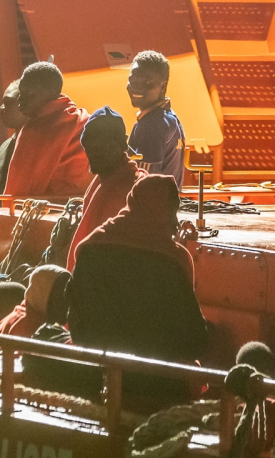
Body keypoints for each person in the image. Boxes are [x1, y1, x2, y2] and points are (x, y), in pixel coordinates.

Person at [68, 175, 208, 410]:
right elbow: (194, 341)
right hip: (158, 385)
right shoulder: (173, 260)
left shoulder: (91, 247)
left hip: (92, 374)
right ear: (165, 213)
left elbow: (76, 321)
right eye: (172, 213)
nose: (175, 223)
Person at [66, 107, 146, 270]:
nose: (96, 152)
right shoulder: (101, 181)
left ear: (123, 144)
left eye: (104, 146)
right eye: (91, 145)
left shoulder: (134, 190)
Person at [3, 62, 93, 197]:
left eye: (29, 93)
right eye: (21, 93)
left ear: (51, 92)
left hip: (44, 213)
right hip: (83, 209)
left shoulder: (34, 131)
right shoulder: (86, 120)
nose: (21, 100)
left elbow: (16, 193)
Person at [0, 264, 70, 355]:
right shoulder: (29, 325)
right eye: (58, 294)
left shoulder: (28, 313)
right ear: (41, 292)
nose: (66, 301)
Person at [126, 51, 186, 187]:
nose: (137, 87)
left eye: (147, 82)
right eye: (133, 80)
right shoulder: (171, 118)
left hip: (151, 207)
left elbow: (144, 184)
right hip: (165, 205)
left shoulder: (152, 125)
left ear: (163, 87)